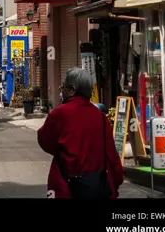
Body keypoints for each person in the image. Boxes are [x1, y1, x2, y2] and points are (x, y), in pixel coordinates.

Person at [37, 67, 123, 199]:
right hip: (99, 186)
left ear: (72, 89)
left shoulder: (60, 114)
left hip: (66, 186)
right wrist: (116, 180)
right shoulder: (101, 117)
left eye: (63, 87)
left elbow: (45, 140)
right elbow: (111, 154)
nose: (61, 90)